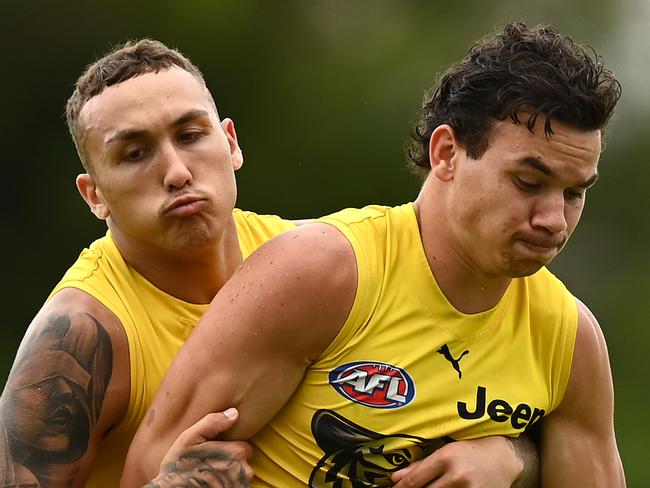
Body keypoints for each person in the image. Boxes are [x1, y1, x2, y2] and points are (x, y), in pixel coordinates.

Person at [0, 39, 533, 487]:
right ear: (95, 196)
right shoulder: (77, 339)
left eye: (190, 135)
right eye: (134, 152)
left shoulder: (320, 263)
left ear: (230, 142)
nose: (178, 172)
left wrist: (509, 458)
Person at [123, 22, 626, 488]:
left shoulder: (569, 338)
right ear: (446, 153)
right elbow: (152, 465)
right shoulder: (322, 271)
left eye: (574, 193)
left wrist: (513, 458)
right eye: (528, 182)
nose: (553, 220)